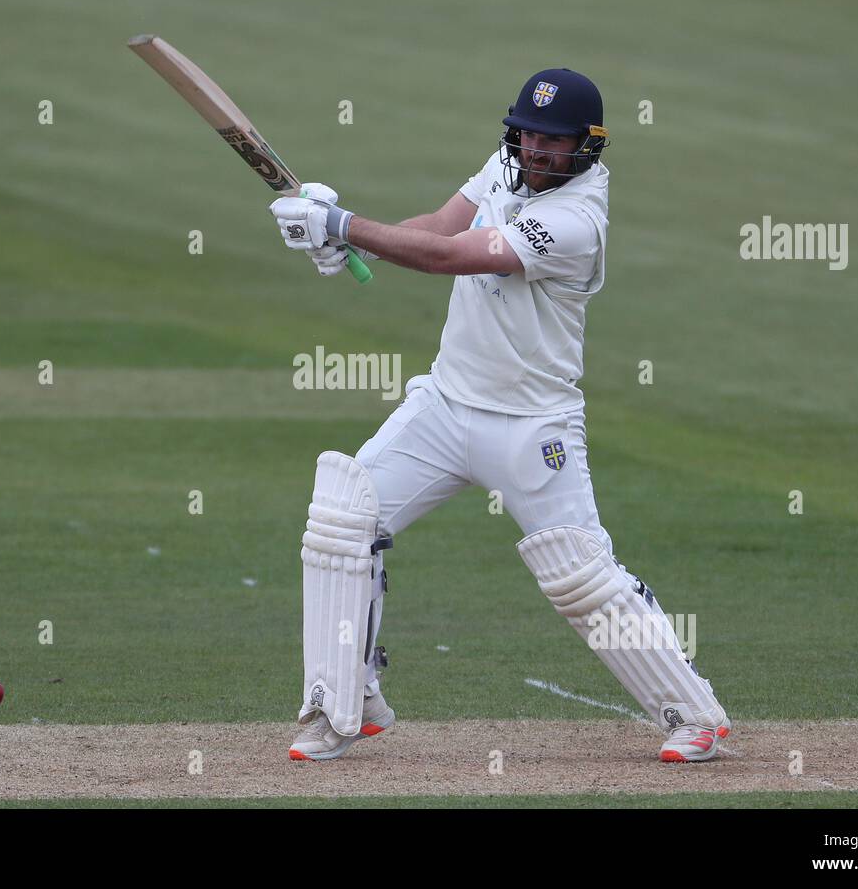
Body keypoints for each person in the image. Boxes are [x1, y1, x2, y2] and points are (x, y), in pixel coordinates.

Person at [270, 67, 731, 764]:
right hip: (447, 403)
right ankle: (343, 703)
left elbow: (451, 257)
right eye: (530, 136)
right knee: (344, 517)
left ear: (588, 147)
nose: (540, 152)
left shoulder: (576, 220)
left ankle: (694, 714)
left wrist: (340, 222)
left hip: (532, 425)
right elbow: (435, 226)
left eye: (557, 142)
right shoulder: (504, 169)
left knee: (580, 577)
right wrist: (353, 236)